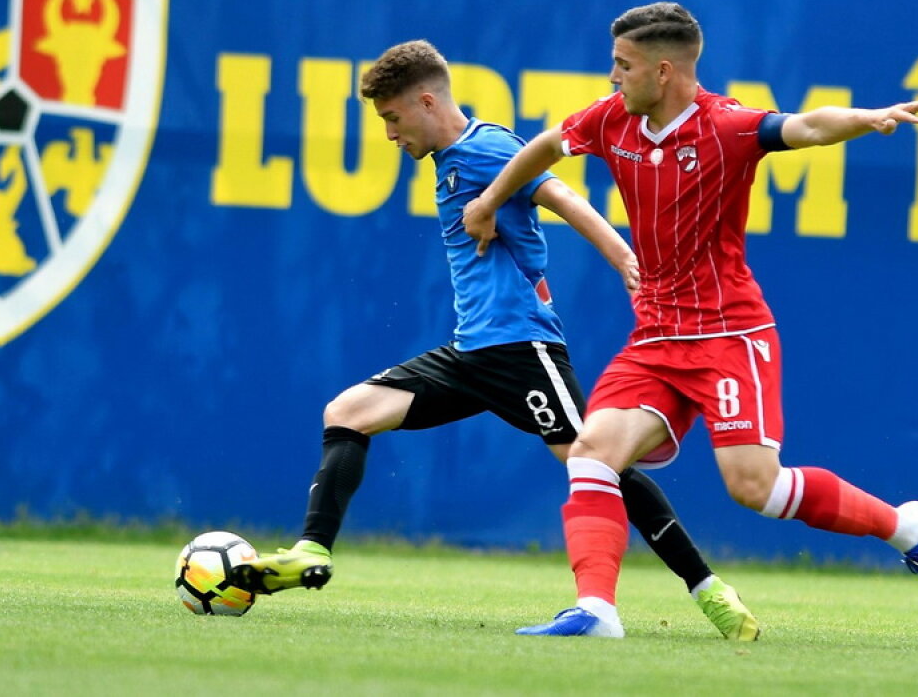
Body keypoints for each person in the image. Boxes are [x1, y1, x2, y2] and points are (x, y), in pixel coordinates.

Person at [462, 2, 918, 638]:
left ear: (664, 71)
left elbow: (807, 126)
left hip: (728, 333)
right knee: (591, 453)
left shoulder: (726, 126)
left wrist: (867, 119)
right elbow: (546, 147)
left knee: (754, 489)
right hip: (655, 337)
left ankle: (906, 528)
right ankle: (595, 611)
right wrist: (488, 201)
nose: (612, 76)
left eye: (624, 65)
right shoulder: (610, 118)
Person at [233, 39, 760, 640]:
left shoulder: (485, 149)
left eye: (392, 118)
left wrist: (622, 257)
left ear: (427, 101)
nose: (389, 134)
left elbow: (559, 195)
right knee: (348, 412)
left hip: (520, 349)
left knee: (596, 463)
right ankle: (312, 551)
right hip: (471, 352)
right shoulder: (452, 159)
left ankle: (707, 588)